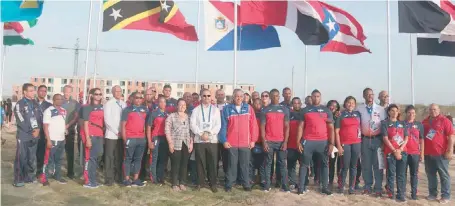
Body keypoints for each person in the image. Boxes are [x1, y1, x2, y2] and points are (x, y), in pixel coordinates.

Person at [296, 89, 334, 195]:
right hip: (308, 141)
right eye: (314, 96)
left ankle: (325, 187)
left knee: (325, 165)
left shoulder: (326, 111)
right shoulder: (305, 110)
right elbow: (300, 127)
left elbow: (331, 128)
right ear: (311, 97)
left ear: (320, 98)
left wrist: (331, 143)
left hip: (323, 142)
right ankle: (301, 187)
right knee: (304, 165)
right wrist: (298, 142)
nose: (316, 98)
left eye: (318, 96)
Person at [219, 89, 258, 192]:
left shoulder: (249, 108)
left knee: (245, 164)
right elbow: (223, 127)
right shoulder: (226, 109)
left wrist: (253, 140)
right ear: (233, 97)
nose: (239, 98)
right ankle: (229, 184)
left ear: (243, 97)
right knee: (231, 165)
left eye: (241, 96)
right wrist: (224, 140)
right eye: (237, 96)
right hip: (231, 143)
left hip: (246, 143)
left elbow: (254, 126)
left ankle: (246, 184)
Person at [356, 88, 386, 196]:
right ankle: (367, 186)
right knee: (366, 165)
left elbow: (384, 126)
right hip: (364, 140)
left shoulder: (381, 109)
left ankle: (378, 188)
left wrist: (383, 142)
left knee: (378, 165)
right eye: (367, 94)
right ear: (363, 96)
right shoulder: (359, 109)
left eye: (371, 94)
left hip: (377, 140)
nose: (370, 96)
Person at [190, 89, 221, 193]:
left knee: (212, 163)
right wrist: (200, 134)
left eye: (208, 95)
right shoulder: (196, 110)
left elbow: (218, 125)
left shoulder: (215, 110)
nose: (206, 98)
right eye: (204, 96)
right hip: (199, 140)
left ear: (211, 97)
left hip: (212, 140)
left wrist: (209, 134)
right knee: (200, 162)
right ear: (200, 97)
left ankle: (213, 184)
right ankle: (200, 183)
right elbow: (192, 125)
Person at [422, 104, 454, 204]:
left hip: (441, 154)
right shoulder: (424, 122)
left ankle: (446, 195)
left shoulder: (445, 121)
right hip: (428, 154)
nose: (433, 111)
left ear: (439, 110)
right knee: (431, 175)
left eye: (435, 109)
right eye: (431, 109)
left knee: (444, 175)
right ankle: (432, 194)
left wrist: (450, 150)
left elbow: (451, 136)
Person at [261, 89, 290, 192]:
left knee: (282, 164)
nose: (275, 98)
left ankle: (285, 185)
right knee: (268, 163)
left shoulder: (285, 109)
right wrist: (264, 141)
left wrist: (285, 141)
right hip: (269, 141)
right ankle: (267, 185)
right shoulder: (265, 110)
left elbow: (287, 127)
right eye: (272, 96)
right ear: (270, 97)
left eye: (277, 96)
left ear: (279, 97)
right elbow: (262, 127)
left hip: (281, 141)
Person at [13, 83, 41, 187]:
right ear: (25, 92)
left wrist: (38, 130)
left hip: (35, 135)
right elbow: (20, 121)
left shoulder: (36, 103)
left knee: (31, 158)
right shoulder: (19, 104)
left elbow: (39, 118)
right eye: (30, 91)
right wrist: (31, 130)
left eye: (34, 90)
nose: (33, 92)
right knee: (21, 158)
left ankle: (29, 177)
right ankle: (18, 179)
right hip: (24, 135)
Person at [381, 104, 408, 202]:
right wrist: (394, 150)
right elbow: (385, 138)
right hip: (390, 152)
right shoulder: (385, 123)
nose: (394, 112)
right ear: (388, 112)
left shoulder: (402, 123)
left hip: (402, 152)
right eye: (392, 110)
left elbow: (406, 138)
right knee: (391, 174)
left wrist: (400, 150)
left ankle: (400, 194)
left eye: (396, 111)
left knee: (401, 175)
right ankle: (390, 193)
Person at [335, 96, 362, 195]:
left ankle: (351, 187)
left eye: (353, 103)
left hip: (356, 143)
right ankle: (341, 186)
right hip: (345, 143)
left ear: (355, 105)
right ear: (345, 103)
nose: (351, 104)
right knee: (344, 166)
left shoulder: (358, 114)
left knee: (354, 166)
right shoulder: (341, 115)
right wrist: (338, 146)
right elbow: (336, 131)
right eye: (348, 102)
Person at [165, 98, 193, 192]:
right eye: (180, 105)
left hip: (186, 143)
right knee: (175, 164)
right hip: (175, 143)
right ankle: (174, 183)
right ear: (177, 106)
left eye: (184, 105)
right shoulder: (171, 116)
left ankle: (182, 183)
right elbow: (167, 130)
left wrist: (191, 143)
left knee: (184, 164)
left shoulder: (189, 117)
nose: (182, 107)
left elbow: (191, 131)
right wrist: (170, 143)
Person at [121, 92, 147, 187]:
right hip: (130, 138)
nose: (139, 99)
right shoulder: (127, 110)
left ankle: (136, 179)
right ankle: (127, 179)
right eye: (137, 97)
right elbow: (123, 125)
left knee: (138, 159)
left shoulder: (145, 109)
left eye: (141, 97)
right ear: (132, 98)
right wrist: (125, 139)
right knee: (128, 159)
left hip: (141, 138)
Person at [40, 94, 67, 186]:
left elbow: (62, 124)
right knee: (48, 160)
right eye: (57, 99)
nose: (60, 101)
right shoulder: (48, 111)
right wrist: (48, 140)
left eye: (61, 99)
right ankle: (44, 178)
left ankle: (57, 176)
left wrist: (64, 135)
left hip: (61, 139)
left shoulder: (64, 111)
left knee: (59, 159)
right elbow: (45, 127)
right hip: (52, 139)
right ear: (53, 100)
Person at [81, 88, 104, 188]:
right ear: (91, 95)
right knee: (89, 158)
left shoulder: (102, 107)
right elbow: (85, 123)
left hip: (99, 134)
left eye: (100, 94)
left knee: (96, 157)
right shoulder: (87, 107)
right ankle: (88, 181)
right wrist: (87, 138)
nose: (98, 96)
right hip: (90, 134)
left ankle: (93, 179)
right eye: (96, 94)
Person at [104, 85, 126, 186]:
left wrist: (123, 132)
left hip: (121, 136)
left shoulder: (123, 104)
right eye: (116, 91)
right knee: (109, 157)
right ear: (113, 92)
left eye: (120, 91)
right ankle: (109, 179)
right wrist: (116, 131)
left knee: (119, 157)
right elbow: (107, 120)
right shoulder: (109, 104)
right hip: (111, 135)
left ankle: (119, 177)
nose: (118, 93)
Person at [403, 105, 424, 200]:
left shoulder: (419, 125)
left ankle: (414, 193)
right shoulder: (401, 123)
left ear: (415, 114)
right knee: (403, 173)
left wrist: (422, 153)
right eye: (409, 113)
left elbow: (422, 140)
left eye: (413, 113)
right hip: (404, 152)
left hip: (415, 153)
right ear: (406, 113)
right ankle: (402, 192)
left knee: (414, 174)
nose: (411, 115)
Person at [146, 96, 168, 184]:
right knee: (154, 158)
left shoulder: (167, 114)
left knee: (162, 159)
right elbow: (148, 128)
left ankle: (160, 177)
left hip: (164, 138)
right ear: (158, 103)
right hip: (156, 137)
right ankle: (153, 178)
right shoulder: (154, 113)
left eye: (164, 102)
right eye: (160, 102)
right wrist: (149, 141)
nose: (162, 104)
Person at [62, 85, 81, 179]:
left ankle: (70, 172)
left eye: (69, 92)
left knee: (70, 152)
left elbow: (76, 117)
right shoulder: (59, 101)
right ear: (63, 91)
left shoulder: (75, 103)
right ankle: (54, 171)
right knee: (57, 152)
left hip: (70, 130)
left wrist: (68, 125)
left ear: (71, 92)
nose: (67, 93)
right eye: (66, 91)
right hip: (58, 130)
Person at [35, 85, 53, 178]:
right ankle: (30, 171)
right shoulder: (32, 103)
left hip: (43, 133)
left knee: (41, 153)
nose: (43, 92)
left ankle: (39, 172)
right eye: (41, 90)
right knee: (32, 153)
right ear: (37, 91)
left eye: (45, 91)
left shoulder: (49, 105)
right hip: (33, 132)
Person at [287, 97, 303, 191]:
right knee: (291, 165)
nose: (296, 105)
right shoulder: (289, 114)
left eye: (298, 103)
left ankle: (302, 182)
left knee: (303, 165)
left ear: (301, 104)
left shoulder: (304, 114)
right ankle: (292, 182)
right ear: (292, 104)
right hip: (291, 145)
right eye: (294, 103)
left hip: (302, 145)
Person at [250, 98, 265, 186]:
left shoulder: (263, 115)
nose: (258, 105)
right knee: (251, 162)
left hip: (262, 142)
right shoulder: (250, 115)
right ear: (253, 104)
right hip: (252, 142)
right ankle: (251, 179)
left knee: (262, 163)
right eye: (256, 103)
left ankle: (262, 180)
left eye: (259, 103)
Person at [327, 100, 341, 186]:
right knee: (330, 163)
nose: (333, 108)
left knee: (339, 164)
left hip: (338, 142)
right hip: (328, 142)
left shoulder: (339, 116)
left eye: (335, 106)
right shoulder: (325, 115)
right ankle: (330, 181)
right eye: (331, 105)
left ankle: (339, 181)